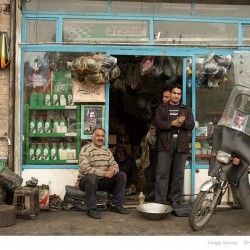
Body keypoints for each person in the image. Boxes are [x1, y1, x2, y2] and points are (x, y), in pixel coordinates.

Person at [154, 84, 195, 208]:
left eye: (179, 94)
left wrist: (182, 123)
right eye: (174, 93)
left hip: (181, 144)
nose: (176, 95)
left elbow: (191, 125)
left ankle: (175, 200)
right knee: (162, 174)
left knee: (178, 174)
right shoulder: (161, 108)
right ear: (170, 94)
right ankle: (160, 201)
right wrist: (173, 123)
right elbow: (158, 124)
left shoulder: (186, 109)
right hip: (165, 143)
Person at [77, 128, 129, 219]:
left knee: (121, 175)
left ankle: (116, 205)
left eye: (102, 136)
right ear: (92, 138)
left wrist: (113, 170)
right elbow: (84, 168)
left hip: (102, 181)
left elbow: (115, 165)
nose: (100, 138)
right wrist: (104, 173)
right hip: (87, 182)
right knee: (92, 178)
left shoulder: (107, 151)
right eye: (98, 135)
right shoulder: (86, 149)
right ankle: (91, 209)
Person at [142, 88, 171, 202]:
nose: (164, 99)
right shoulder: (160, 109)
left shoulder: (175, 111)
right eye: (163, 97)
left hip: (166, 146)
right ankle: (153, 193)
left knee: (161, 173)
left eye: (166, 97)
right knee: (150, 169)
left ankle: (162, 196)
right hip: (155, 147)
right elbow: (156, 126)